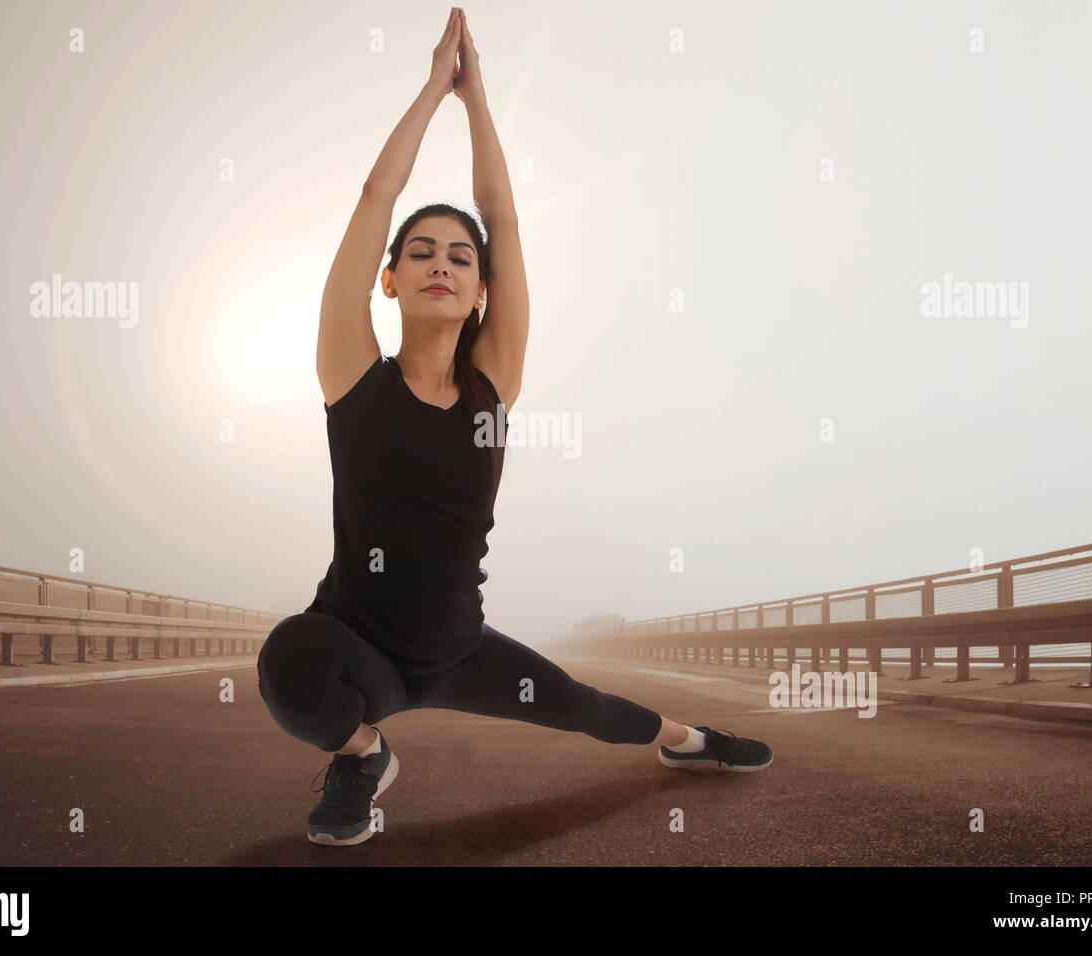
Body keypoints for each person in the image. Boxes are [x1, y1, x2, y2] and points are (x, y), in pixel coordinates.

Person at [257, 7, 772, 847]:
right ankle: (363, 757)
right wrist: (432, 89)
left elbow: (505, 218)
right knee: (289, 659)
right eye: (419, 252)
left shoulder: (492, 383)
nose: (441, 265)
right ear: (388, 280)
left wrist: (478, 98)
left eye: (460, 258)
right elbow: (374, 196)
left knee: (593, 711)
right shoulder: (351, 376)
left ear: (481, 292)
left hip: (460, 646)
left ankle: (694, 743)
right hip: (359, 645)